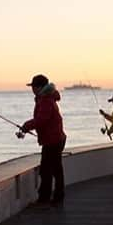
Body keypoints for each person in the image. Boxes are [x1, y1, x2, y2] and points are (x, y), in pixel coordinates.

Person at [20, 74, 67, 207]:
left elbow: (41, 120)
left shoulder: (45, 100)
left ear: (39, 87)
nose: (32, 89)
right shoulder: (47, 98)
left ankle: (44, 200)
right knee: (55, 170)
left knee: (46, 171)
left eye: (33, 86)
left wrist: (26, 126)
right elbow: (44, 121)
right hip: (56, 138)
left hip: (53, 141)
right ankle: (57, 198)